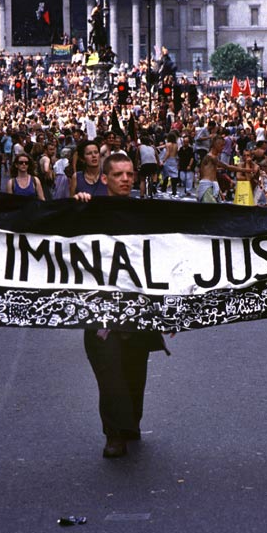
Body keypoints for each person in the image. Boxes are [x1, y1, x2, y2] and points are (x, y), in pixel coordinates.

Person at [75, 153, 167, 458]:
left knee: (134, 372)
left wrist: (170, 311)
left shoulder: (146, 213)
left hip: (137, 310)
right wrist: (77, 207)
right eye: (118, 175)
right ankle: (114, 434)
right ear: (105, 179)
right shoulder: (90, 209)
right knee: (110, 373)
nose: (126, 179)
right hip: (100, 312)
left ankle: (130, 424)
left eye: (130, 174)